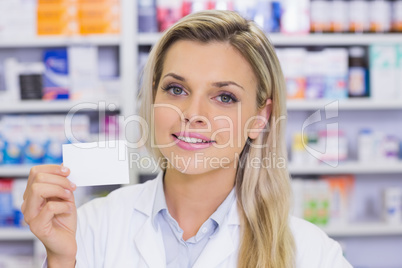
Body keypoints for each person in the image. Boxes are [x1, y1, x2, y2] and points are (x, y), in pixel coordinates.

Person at [21, 10, 352, 268]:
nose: (193, 113)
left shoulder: (310, 252)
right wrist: (61, 260)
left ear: (260, 118)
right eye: (176, 89)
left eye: (224, 97)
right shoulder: (92, 227)